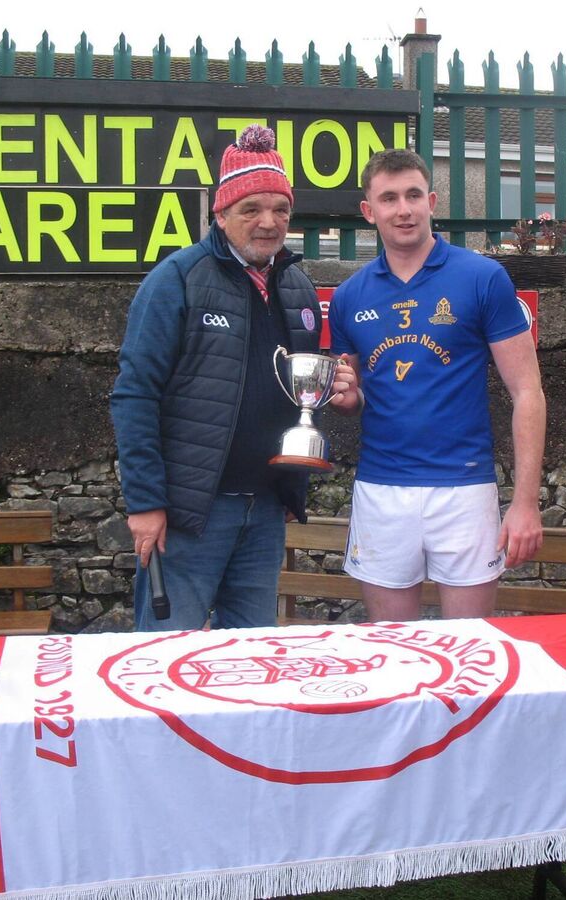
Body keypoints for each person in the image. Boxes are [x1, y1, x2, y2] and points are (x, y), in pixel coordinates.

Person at [111, 125, 361, 631]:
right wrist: (146, 502)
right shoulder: (176, 280)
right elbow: (134, 395)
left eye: (280, 209)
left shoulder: (297, 288)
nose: (269, 222)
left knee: (250, 666)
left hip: (266, 512)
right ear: (220, 214)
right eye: (251, 209)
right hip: (187, 517)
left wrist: (294, 486)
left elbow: (300, 402)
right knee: (164, 660)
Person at [328, 148, 545, 621]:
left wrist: (525, 502)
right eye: (388, 198)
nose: (403, 209)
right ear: (369, 211)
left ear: (432, 200)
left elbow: (528, 391)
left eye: (412, 195)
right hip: (382, 489)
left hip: (464, 488)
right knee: (392, 652)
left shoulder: (483, 277)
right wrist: (346, 399)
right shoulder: (349, 297)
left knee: (469, 653)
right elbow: (353, 396)